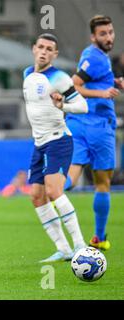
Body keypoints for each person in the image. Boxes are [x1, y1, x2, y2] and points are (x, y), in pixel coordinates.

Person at [23, 33, 88, 263]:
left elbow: (83, 105)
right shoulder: (27, 74)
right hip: (39, 143)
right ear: (33, 49)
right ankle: (64, 249)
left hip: (58, 140)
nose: (43, 51)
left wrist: (64, 105)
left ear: (55, 54)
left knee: (53, 191)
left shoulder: (59, 77)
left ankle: (80, 246)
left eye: (49, 49)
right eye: (40, 47)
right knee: (36, 196)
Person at [64, 15, 124, 251]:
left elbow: (92, 81)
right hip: (97, 125)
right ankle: (99, 237)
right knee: (103, 184)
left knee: (71, 178)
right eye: (103, 34)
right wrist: (104, 94)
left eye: (110, 32)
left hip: (78, 123)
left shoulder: (98, 57)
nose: (108, 37)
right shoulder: (93, 56)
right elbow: (74, 84)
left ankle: (51, 189)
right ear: (93, 37)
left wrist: (113, 83)